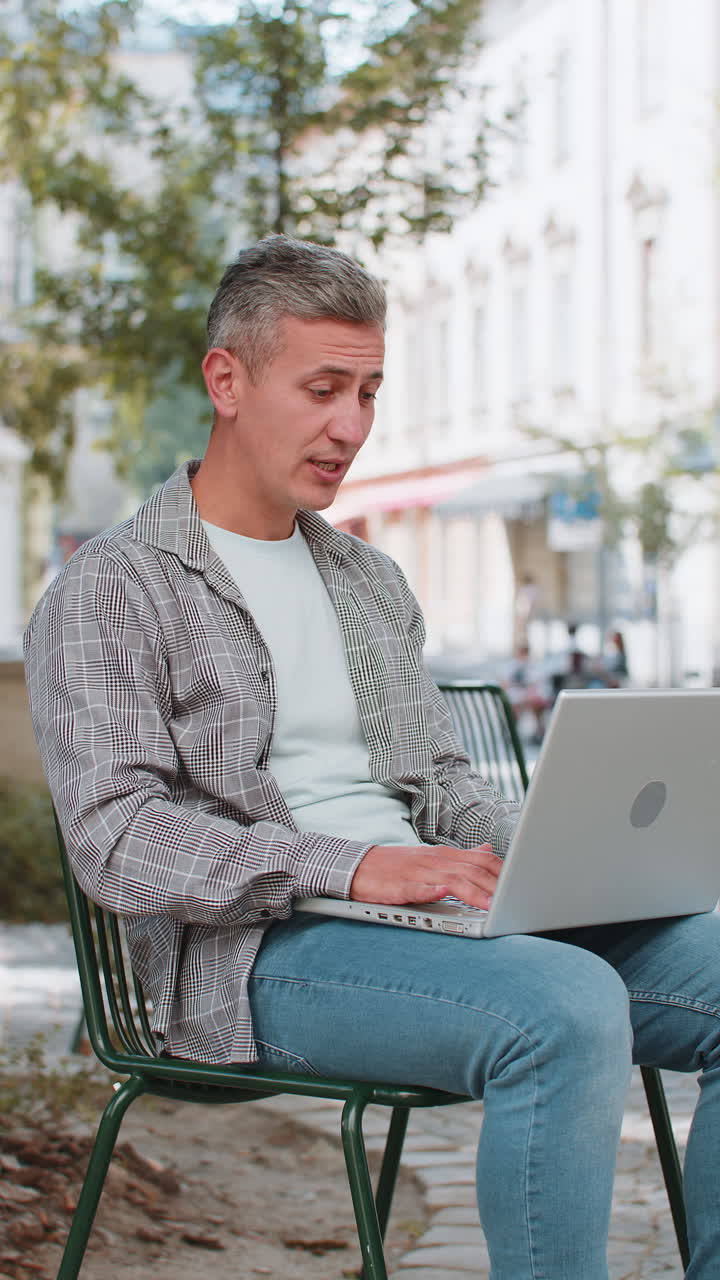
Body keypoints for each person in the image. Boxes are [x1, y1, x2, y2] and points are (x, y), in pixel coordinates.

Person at [24, 235, 720, 1279]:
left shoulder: (367, 578)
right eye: (322, 389)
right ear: (227, 379)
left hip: (428, 923)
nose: (350, 426)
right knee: (566, 1006)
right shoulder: (115, 587)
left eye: (369, 390)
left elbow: (438, 786)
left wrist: (552, 858)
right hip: (257, 953)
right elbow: (117, 836)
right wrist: (350, 866)